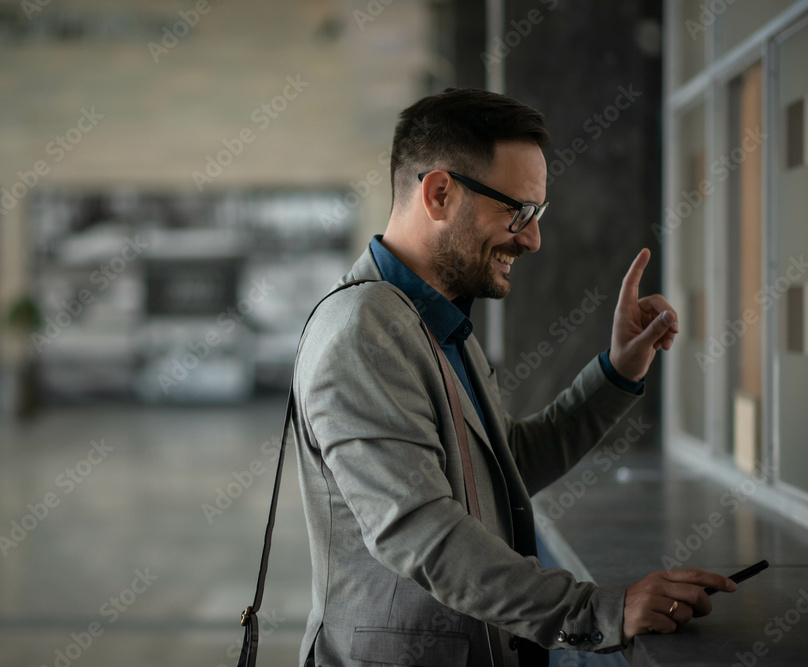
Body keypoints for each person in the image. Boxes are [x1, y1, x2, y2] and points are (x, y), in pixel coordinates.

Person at [289, 88, 736, 667]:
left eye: (537, 214)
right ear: (440, 193)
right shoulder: (363, 332)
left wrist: (618, 371)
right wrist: (598, 611)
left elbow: (504, 468)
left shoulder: (437, 321)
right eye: (516, 211)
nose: (532, 238)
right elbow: (423, 532)